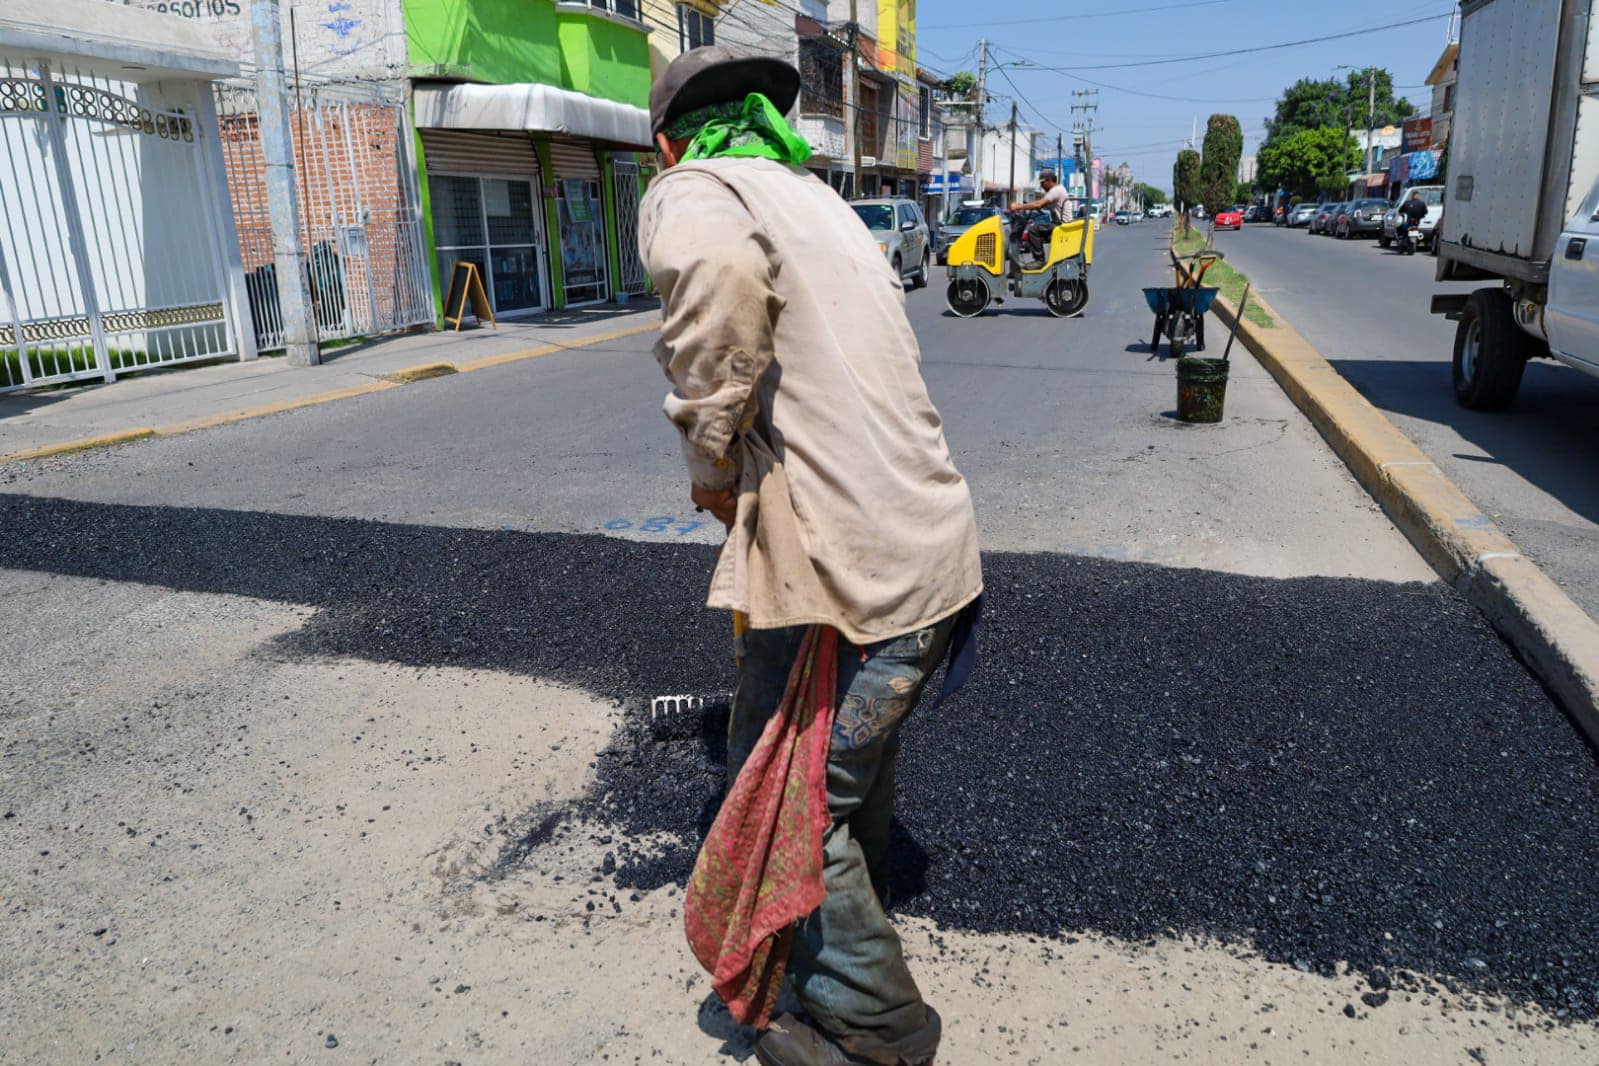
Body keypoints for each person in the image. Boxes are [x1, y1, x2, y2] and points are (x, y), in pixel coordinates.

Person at [640, 46, 984, 1066]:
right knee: (841, 777)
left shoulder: (690, 189)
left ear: (665, 139)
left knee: (791, 797)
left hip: (845, 568)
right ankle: (820, 945)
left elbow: (720, 280)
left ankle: (875, 1022)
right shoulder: (820, 201)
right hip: (925, 550)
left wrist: (708, 452)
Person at [1008, 170, 1071, 261]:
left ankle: (1039, 260)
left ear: (1049, 180)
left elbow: (1038, 204)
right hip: (1060, 224)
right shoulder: (1058, 189)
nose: (1041, 186)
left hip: (1061, 225)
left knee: (1033, 230)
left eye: (1042, 182)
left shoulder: (1055, 191)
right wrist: (1034, 207)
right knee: (1037, 230)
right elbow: (1040, 204)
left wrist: (1017, 206)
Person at [1399, 190, 1428, 255]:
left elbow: (1400, 210)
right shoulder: (1422, 203)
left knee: (1402, 231)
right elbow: (1425, 212)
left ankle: (1403, 244)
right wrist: (1421, 216)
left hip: (1408, 222)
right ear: (1418, 196)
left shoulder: (1407, 203)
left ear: (1412, 196)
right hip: (1416, 223)